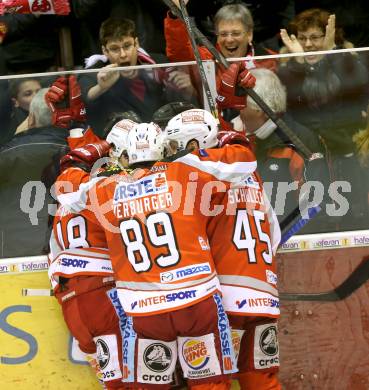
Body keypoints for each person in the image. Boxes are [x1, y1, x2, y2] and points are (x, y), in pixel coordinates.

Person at [56, 120, 266, 389]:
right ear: (164, 148)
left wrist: (79, 158)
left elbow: (66, 190)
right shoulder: (185, 170)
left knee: (151, 386)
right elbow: (244, 162)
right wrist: (230, 136)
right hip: (196, 299)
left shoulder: (107, 188)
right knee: (209, 382)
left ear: (125, 156)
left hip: (146, 311)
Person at [164, 108, 282, 390]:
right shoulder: (253, 176)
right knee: (262, 382)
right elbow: (273, 232)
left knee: (211, 383)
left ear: (193, 145)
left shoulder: (195, 180)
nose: (167, 153)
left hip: (224, 302)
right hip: (264, 296)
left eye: (172, 146)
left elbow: (186, 241)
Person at [48, 118, 137, 389]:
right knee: (143, 378)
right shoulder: (113, 187)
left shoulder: (69, 198)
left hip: (73, 303)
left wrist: (78, 132)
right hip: (105, 295)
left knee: (117, 384)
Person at [278, 8, 369, 230]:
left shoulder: (346, 60)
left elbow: (357, 94)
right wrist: (298, 63)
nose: (308, 44)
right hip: (310, 160)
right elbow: (290, 110)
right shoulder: (290, 69)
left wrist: (332, 53)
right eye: (303, 38)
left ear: (328, 37)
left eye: (315, 37)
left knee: (354, 220)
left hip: (349, 156)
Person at [79, 16, 198, 135]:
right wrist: (101, 87)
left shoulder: (159, 64)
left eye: (127, 46)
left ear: (136, 43)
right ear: (105, 51)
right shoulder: (95, 73)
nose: (123, 54)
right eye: (115, 49)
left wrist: (187, 90)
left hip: (162, 135)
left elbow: (183, 106)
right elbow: (87, 97)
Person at [0, 88, 69, 257]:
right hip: (69, 254)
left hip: (15, 255)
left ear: (30, 119)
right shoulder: (79, 152)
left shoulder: (8, 154)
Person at [164, 1, 278, 90]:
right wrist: (176, 15)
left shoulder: (269, 61)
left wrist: (295, 64)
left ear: (249, 34)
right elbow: (179, 53)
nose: (229, 40)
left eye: (236, 33)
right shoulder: (207, 57)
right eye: (223, 34)